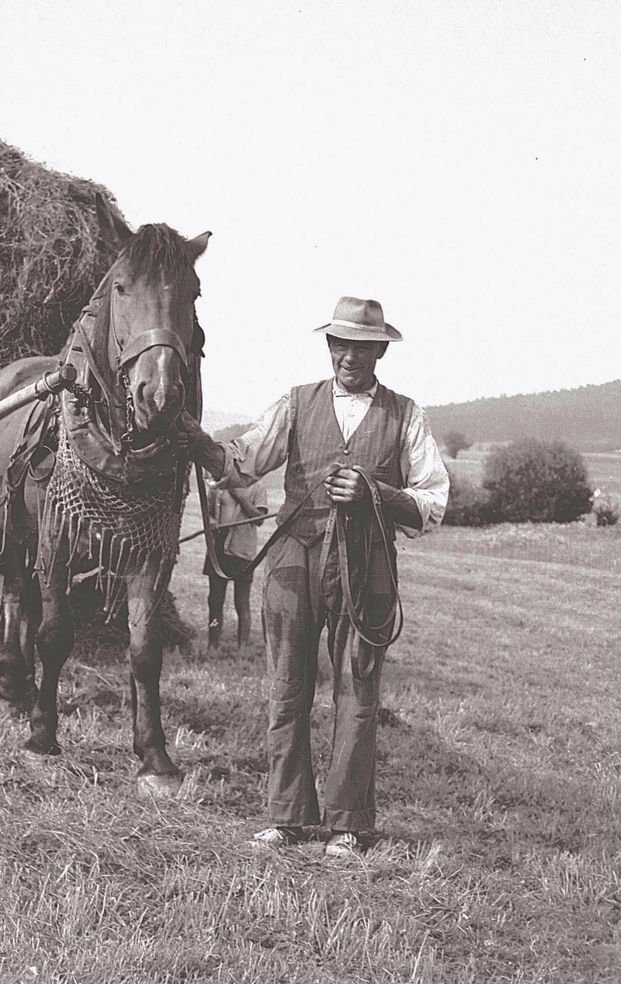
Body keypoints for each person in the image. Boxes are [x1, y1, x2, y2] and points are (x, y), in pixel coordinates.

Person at [180, 296, 449, 857]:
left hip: (367, 567)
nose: (348, 355)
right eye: (339, 343)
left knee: (357, 694)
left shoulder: (406, 415)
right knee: (287, 687)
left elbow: (433, 502)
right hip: (293, 563)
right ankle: (288, 818)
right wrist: (196, 440)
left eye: (360, 345)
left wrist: (379, 494)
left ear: (380, 351)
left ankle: (349, 825)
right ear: (329, 347)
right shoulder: (297, 404)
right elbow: (243, 461)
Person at [203, 481, 268, 649]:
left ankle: (242, 647)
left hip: (242, 548)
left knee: (242, 602)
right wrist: (210, 521)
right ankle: (213, 644)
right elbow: (208, 512)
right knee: (215, 600)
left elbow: (260, 519)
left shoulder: (258, 486)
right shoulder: (218, 485)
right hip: (218, 549)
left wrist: (240, 496)